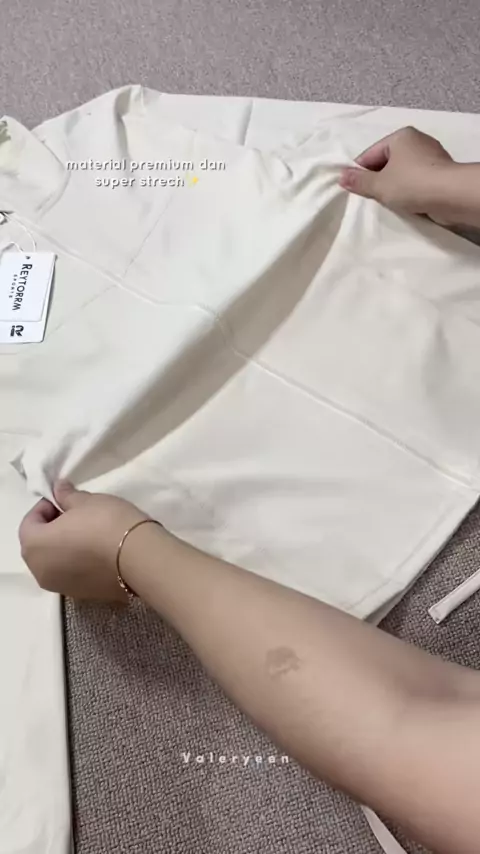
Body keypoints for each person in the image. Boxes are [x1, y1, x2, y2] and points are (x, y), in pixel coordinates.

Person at [19, 128, 480, 854]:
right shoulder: (109, 136)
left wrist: (130, 550)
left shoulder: (108, 133)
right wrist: (447, 185)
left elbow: (412, 728)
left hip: (337, 566)